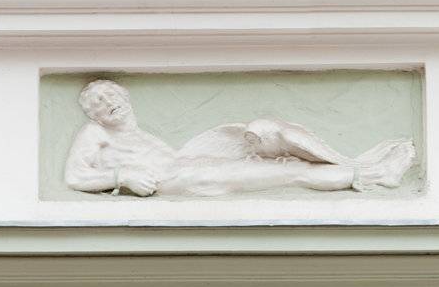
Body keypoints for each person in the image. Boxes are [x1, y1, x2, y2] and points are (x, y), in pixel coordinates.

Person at [64, 79, 415, 198]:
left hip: (194, 170)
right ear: (92, 115)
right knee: (290, 173)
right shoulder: (94, 132)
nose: (107, 103)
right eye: (97, 103)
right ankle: (373, 175)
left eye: (110, 95)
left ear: (125, 97)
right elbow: (75, 177)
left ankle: (357, 168)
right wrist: (119, 177)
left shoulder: (144, 137)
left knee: (284, 159)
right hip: (190, 179)